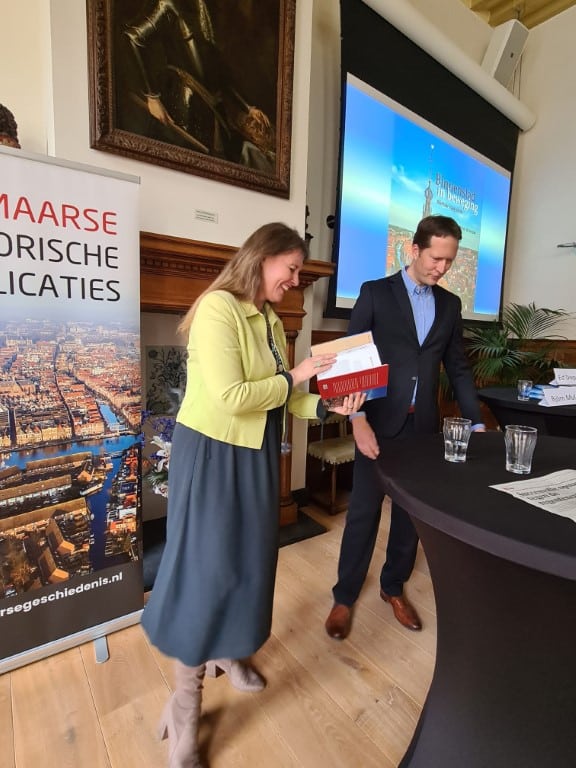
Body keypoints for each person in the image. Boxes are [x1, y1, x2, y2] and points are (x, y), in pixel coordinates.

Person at [141, 222, 365, 767]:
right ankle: (185, 711)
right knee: (206, 573)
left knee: (251, 563)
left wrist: (326, 406)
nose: (295, 280)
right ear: (261, 259)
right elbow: (234, 396)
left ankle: (233, 649)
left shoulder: (266, 318)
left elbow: (280, 402)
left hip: (257, 453)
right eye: (290, 269)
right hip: (215, 456)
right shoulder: (219, 308)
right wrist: (302, 373)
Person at [325, 215, 485, 641]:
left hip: (424, 428)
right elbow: (349, 364)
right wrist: (357, 421)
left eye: (449, 261)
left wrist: (478, 423)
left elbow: (459, 369)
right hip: (376, 423)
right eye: (436, 258)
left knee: (410, 517)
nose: (442, 268)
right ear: (414, 250)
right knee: (362, 513)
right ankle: (344, 596)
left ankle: (392, 587)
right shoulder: (375, 294)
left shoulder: (450, 305)